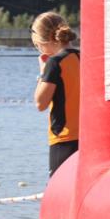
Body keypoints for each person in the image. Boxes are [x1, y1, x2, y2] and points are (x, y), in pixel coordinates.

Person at [32, 12, 80, 176]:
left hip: (64, 139)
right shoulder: (83, 57)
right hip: (88, 137)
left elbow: (40, 103)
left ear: (41, 40)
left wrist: (42, 72)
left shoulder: (54, 63)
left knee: (60, 195)